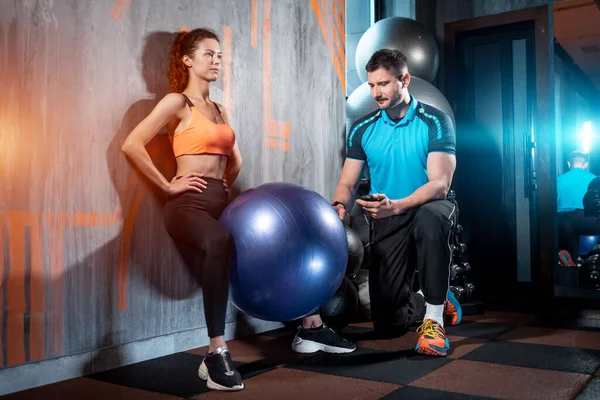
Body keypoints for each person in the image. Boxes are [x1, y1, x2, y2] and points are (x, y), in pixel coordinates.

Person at [291, 48, 462, 357]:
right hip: (388, 216)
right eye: (371, 85)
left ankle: (434, 322)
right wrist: (339, 206)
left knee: (430, 219)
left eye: (383, 83)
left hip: (429, 206)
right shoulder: (363, 128)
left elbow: (440, 184)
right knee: (388, 324)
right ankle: (431, 297)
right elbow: (347, 182)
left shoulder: (435, 121)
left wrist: (398, 205)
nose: (376, 92)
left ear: (405, 79)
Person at [121, 28, 244, 391]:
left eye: (219, 55)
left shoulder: (220, 110)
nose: (216, 61)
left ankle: (310, 324)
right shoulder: (178, 102)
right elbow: (132, 145)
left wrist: (225, 181)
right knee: (220, 240)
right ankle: (217, 352)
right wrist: (166, 184)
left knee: (248, 243)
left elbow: (235, 159)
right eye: (208, 54)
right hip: (185, 205)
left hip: (217, 201)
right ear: (187, 59)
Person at [557, 151, 599, 264]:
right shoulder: (595, 179)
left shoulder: (558, 180)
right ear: (585, 164)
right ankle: (592, 257)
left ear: (569, 164)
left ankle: (571, 260)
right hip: (590, 220)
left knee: (567, 237)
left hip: (566, 221)